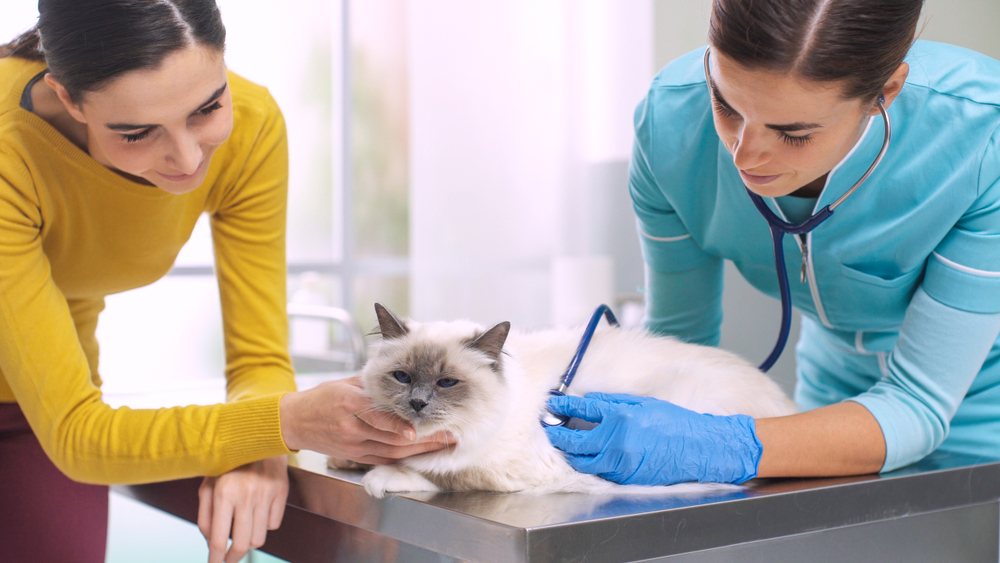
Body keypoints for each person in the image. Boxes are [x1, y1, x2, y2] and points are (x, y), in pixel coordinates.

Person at [0, 2, 452, 562]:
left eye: (207, 107)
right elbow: (78, 435)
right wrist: (283, 424)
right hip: (58, 422)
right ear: (68, 97)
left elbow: (258, 358)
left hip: (31, 407)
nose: (188, 160)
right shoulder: (8, 149)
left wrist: (260, 442)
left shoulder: (255, 127)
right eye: (137, 133)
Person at [546, 0, 1000, 487]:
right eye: (725, 104)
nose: (744, 153)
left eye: (793, 133)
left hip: (983, 412)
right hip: (829, 395)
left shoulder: (982, 138)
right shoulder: (669, 124)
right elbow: (678, 347)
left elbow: (917, 404)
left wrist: (723, 446)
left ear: (885, 93)